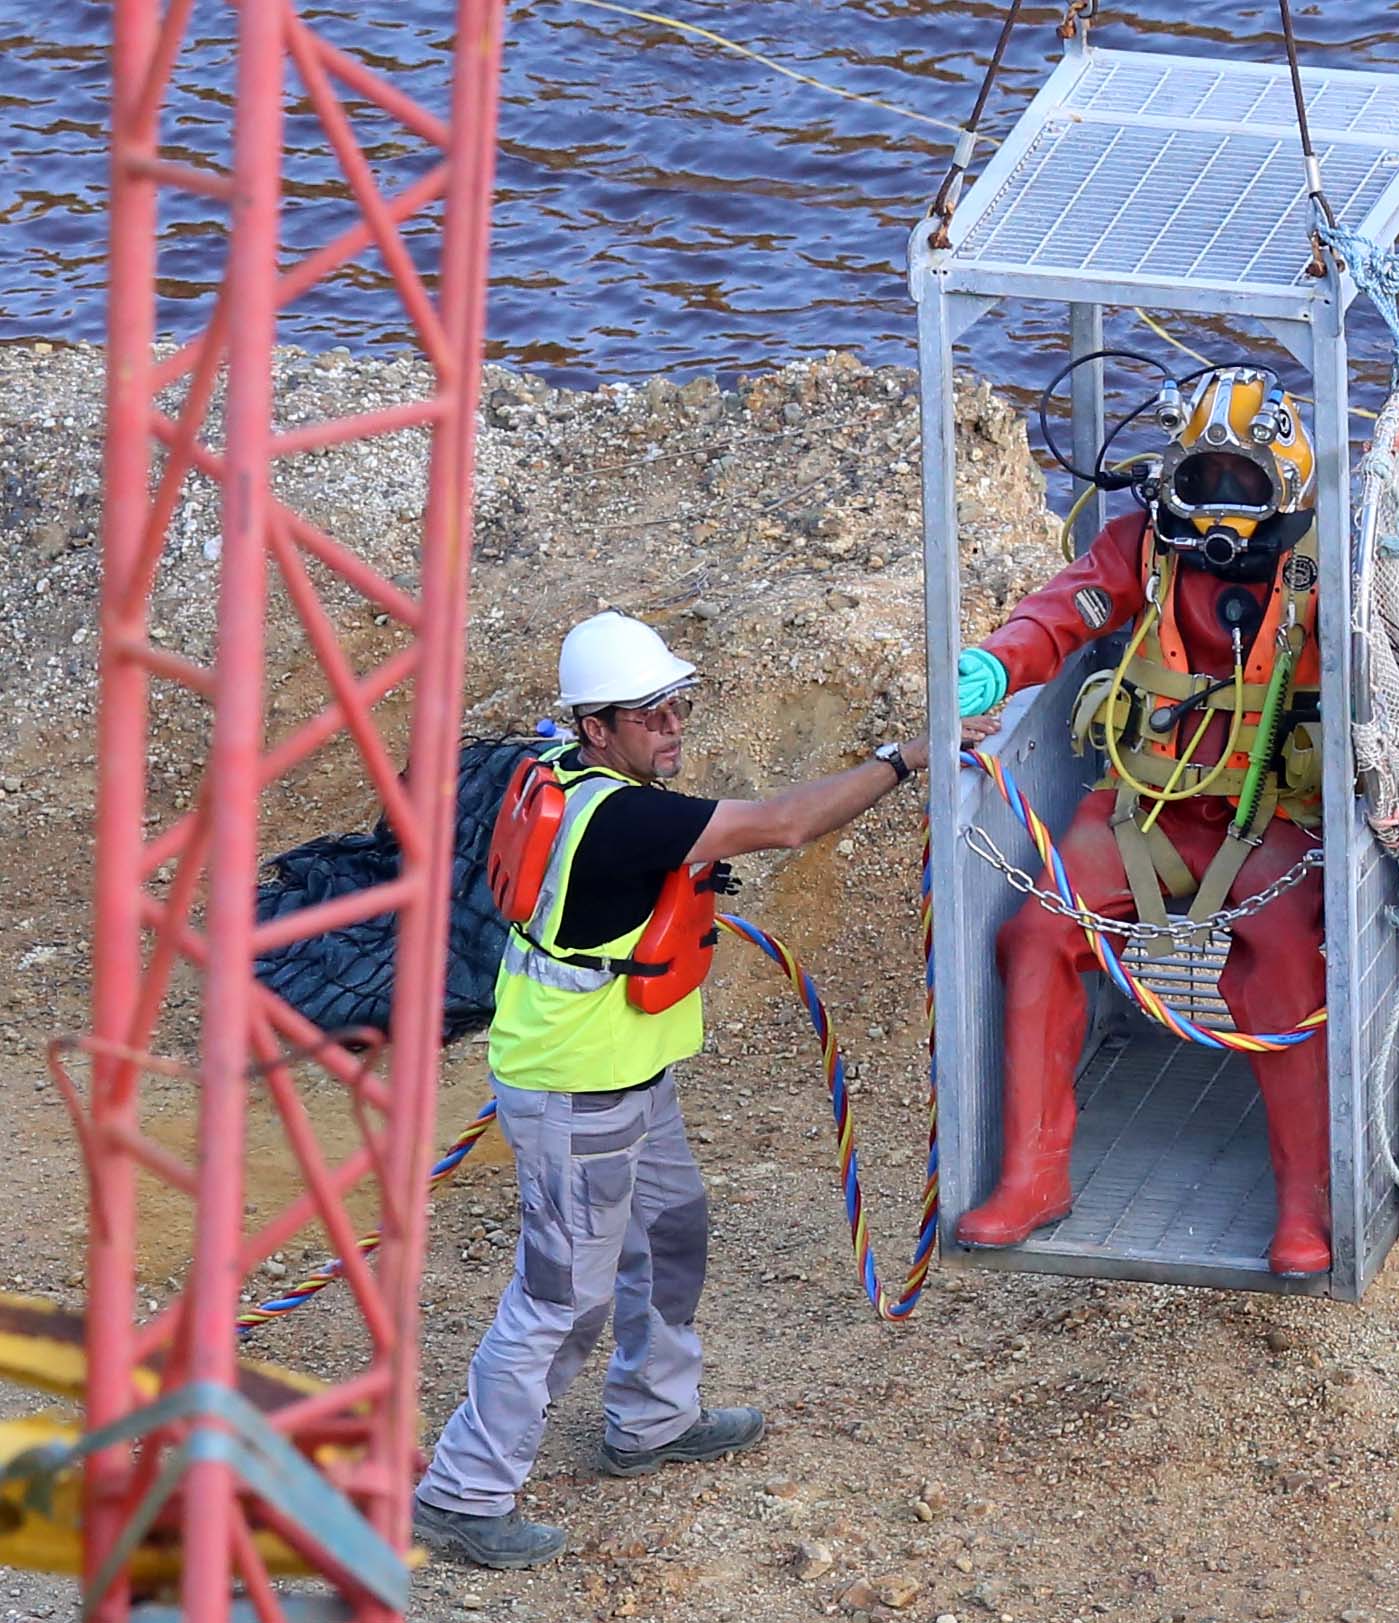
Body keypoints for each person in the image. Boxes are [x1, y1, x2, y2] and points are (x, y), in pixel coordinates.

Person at [413, 610, 997, 1569]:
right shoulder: (626, 815)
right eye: (650, 714)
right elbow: (786, 823)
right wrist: (908, 755)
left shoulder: (571, 772)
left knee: (672, 1233)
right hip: (576, 1089)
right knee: (561, 1295)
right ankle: (462, 1490)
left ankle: (651, 1418)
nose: (673, 725)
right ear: (596, 727)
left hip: (627, 1069)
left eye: (676, 703)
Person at [951, 366, 1332, 1278]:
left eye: (1241, 488)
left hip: (1273, 816)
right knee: (1036, 933)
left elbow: (1396, 669)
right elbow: (1062, 608)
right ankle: (1031, 1175)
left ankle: (1306, 1205)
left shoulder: (1330, 571)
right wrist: (999, 665)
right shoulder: (1142, 549)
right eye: (1202, 483)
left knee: (1283, 960)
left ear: (1282, 485)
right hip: (1143, 806)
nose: (1218, 513)